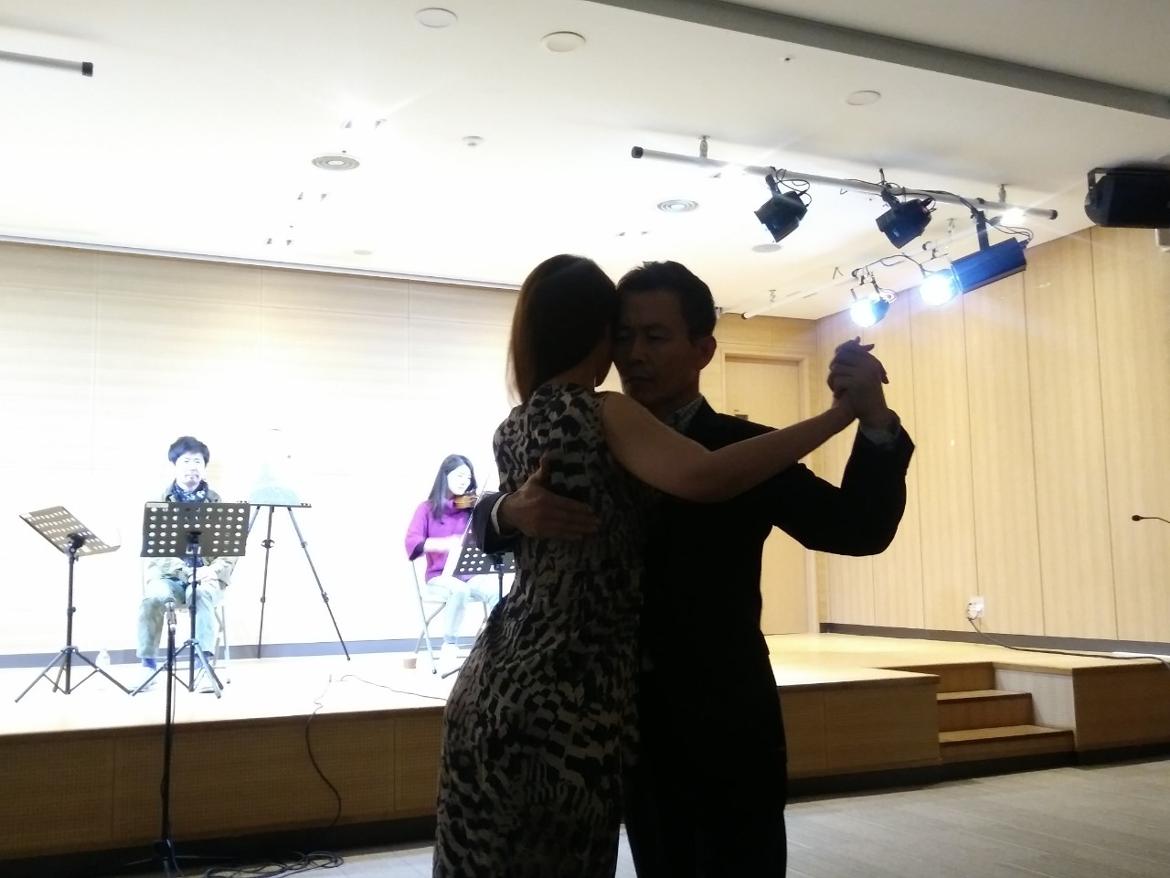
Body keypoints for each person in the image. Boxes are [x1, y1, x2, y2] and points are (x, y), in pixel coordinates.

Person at [473, 260, 914, 876]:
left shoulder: (743, 447)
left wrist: (875, 423)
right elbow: (493, 513)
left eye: (655, 337)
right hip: (621, 724)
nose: (634, 355)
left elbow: (858, 529)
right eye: (623, 336)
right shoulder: (584, 431)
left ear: (703, 349)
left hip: (723, 719)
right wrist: (506, 512)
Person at [136, 436, 235, 690]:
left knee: (201, 594)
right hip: (169, 577)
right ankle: (147, 667)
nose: (192, 467)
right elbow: (157, 551)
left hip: (207, 575)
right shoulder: (159, 502)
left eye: (198, 461)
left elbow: (229, 551)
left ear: (205, 466)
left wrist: (211, 570)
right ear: (174, 465)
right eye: (186, 461)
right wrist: (187, 572)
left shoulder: (218, 503)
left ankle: (203, 667)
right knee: (152, 599)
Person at [404, 454, 501, 668]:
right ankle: (450, 645)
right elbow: (412, 543)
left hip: (469, 575)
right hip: (440, 577)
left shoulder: (469, 508)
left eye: (468, 477)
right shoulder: (426, 509)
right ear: (444, 476)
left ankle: (494, 643)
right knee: (459, 590)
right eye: (459, 476)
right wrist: (444, 543)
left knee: (497, 589)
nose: (464, 481)